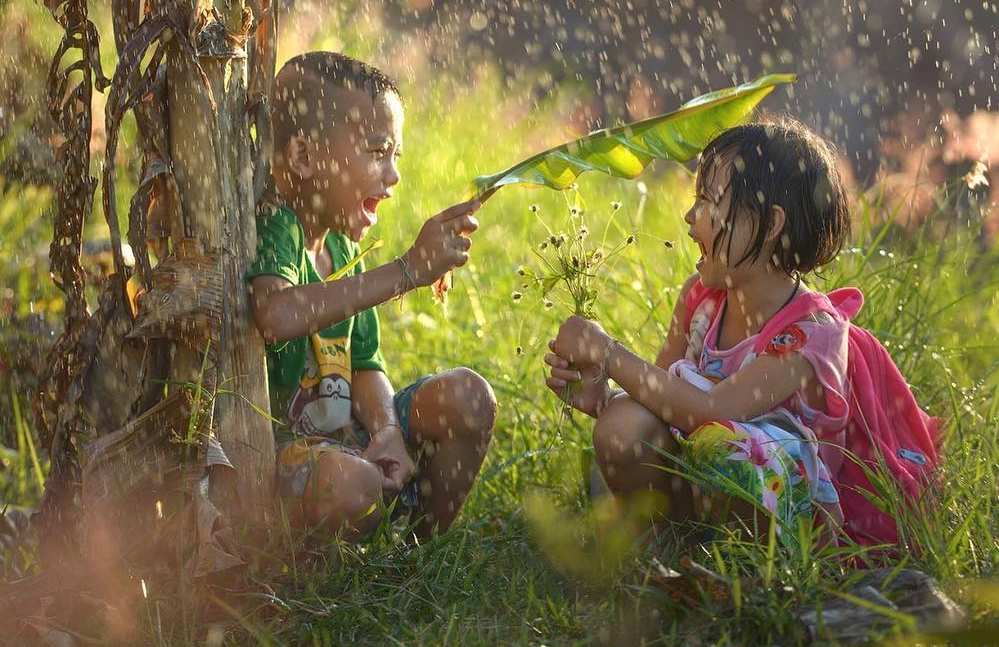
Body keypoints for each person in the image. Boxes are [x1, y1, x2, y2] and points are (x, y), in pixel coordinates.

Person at [544, 116, 860, 541]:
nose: (690, 216)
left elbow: (714, 412)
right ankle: (665, 549)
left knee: (728, 448)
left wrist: (610, 354)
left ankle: (744, 570)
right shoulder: (702, 302)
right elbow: (659, 402)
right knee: (624, 423)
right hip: (703, 486)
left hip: (782, 524)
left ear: (770, 224)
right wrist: (602, 395)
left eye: (708, 200)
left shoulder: (809, 332)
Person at [248, 51, 495, 537]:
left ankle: (419, 555)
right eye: (377, 152)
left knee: (469, 396)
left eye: (395, 156)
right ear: (303, 157)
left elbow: (364, 366)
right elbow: (275, 315)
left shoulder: (339, 247)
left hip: (350, 442)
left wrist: (386, 431)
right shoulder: (276, 228)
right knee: (353, 485)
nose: (394, 174)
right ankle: (319, 567)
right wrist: (404, 271)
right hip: (288, 458)